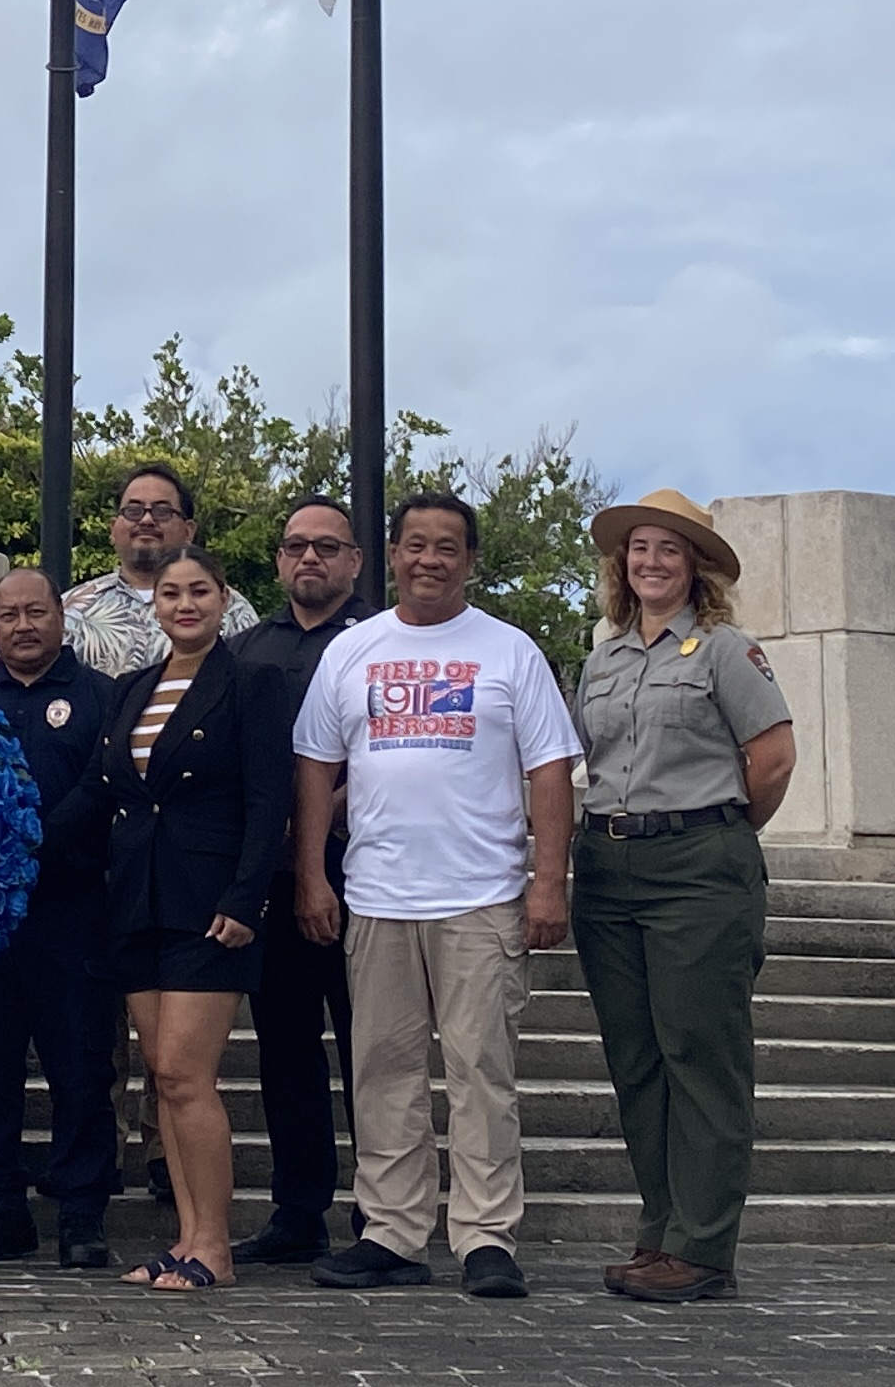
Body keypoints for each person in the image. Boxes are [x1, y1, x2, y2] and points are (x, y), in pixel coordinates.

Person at [291, 489, 581, 1302]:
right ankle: (392, 1232)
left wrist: (546, 882)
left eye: (446, 547)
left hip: (481, 897)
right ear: (391, 554)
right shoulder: (353, 652)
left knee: (481, 1071)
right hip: (378, 896)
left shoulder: (510, 651)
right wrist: (312, 872)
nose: (429, 560)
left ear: (470, 560)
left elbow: (549, 769)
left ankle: (487, 1236)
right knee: (381, 1069)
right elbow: (315, 766)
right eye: (415, 544)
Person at [574, 489, 796, 1306]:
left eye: (669, 550)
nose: (652, 562)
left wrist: (716, 830)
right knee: (637, 1060)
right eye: (639, 549)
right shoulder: (602, 659)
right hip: (608, 865)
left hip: (698, 865)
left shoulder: (724, 651)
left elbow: (771, 760)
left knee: (701, 1054)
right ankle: (660, 1229)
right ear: (620, 565)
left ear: (695, 567)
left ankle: (703, 1247)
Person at [103, 547, 293, 1290]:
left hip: (210, 905)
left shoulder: (252, 682)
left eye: (200, 592)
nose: (185, 604)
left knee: (187, 1073)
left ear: (223, 600)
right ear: (155, 604)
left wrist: (246, 897)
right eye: (171, 593)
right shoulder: (131, 689)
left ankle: (215, 1244)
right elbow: (108, 791)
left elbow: (267, 798)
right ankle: (183, 1239)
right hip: (138, 900)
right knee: (160, 1076)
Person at [0, 565, 120, 1270]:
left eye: (35, 612)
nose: (22, 625)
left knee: (79, 1066)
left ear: (60, 617)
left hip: (71, 909)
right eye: (8, 614)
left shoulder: (103, 698)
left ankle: (80, 1214)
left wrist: (32, 836)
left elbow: (104, 788)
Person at [233, 494, 369, 1264]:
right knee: (285, 1047)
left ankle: (381, 1213)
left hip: (365, 872)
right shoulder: (248, 649)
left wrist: (316, 821)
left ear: (354, 560)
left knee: (369, 1049)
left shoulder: (383, 641)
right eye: (295, 547)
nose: (309, 558)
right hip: (272, 876)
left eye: (326, 546)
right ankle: (298, 1210)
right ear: (279, 561)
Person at [61, 462, 256, 678]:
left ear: (188, 531)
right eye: (133, 511)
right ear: (113, 529)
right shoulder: (70, 610)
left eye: (162, 511)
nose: (146, 520)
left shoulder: (231, 609)